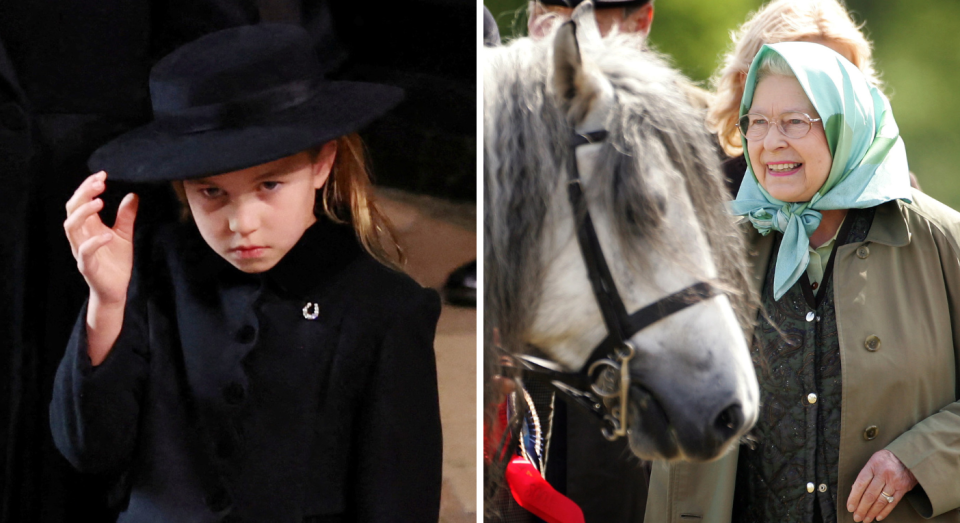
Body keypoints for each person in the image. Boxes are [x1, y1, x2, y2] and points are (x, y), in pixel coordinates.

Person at [50, 23, 442, 522]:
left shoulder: (385, 310)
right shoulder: (148, 269)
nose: (242, 224)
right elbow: (88, 450)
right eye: (211, 192)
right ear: (181, 187)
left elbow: (399, 502)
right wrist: (107, 304)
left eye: (270, 185)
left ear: (323, 163)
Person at [646, 41, 960, 523]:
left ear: (845, 126)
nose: (771, 143)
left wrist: (919, 460)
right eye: (757, 121)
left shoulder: (941, 240)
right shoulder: (713, 251)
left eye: (795, 122)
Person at [706, 0, 884, 196]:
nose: (823, 95)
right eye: (795, 71)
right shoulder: (710, 193)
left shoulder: (891, 190)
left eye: (836, 79)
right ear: (746, 82)